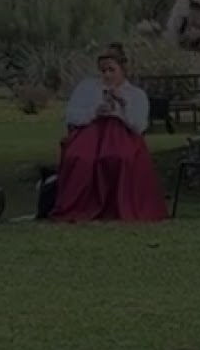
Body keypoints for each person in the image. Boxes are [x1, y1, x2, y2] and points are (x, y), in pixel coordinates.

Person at [50, 44, 167, 222]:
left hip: (122, 134)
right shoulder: (87, 88)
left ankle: (117, 206)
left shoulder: (136, 94)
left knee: (118, 157)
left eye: (112, 70)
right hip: (90, 133)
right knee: (79, 158)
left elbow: (139, 126)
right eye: (103, 71)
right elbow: (72, 115)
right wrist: (95, 112)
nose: (107, 75)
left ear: (123, 70)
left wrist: (122, 107)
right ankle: (80, 206)